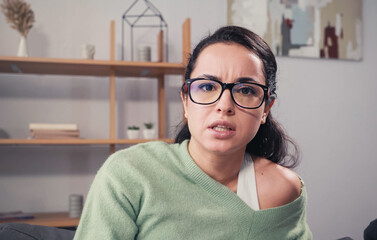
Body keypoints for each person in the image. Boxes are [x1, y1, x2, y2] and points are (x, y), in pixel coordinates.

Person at [74, 25, 312, 239]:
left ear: (265, 110)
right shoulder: (127, 174)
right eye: (208, 86)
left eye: (246, 90)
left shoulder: (283, 190)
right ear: (186, 101)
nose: (224, 105)